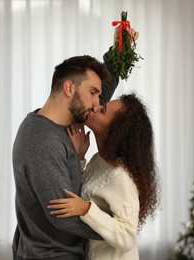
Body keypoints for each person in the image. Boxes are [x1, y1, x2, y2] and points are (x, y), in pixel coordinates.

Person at [12, 28, 139, 259]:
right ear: (69, 88)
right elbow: (64, 215)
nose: (96, 103)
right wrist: (118, 233)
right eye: (93, 93)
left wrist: (121, 51)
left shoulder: (60, 124)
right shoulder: (43, 141)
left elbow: (105, 110)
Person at [48, 93, 160, 260]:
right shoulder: (98, 160)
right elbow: (82, 190)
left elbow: (127, 237)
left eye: (102, 110)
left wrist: (86, 209)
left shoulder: (120, 176)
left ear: (116, 130)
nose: (95, 107)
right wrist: (79, 157)